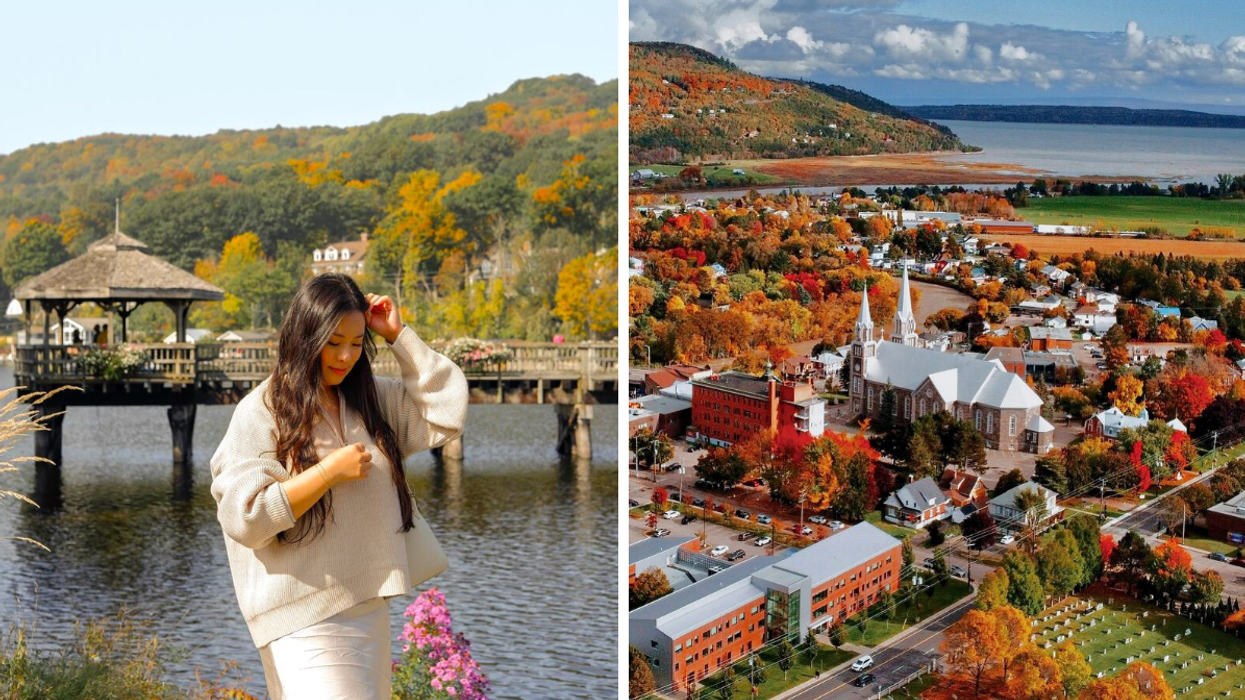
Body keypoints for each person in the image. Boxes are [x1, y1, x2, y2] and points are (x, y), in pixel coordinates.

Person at [209, 273, 468, 699]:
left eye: (356, 342)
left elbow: (447, 412)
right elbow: (246, 517)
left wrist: (398, 335)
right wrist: (328, 472)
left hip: (368, 608)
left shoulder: (367, 401)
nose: (345, 355)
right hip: (303, 619)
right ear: (305, 335)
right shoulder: (262, 411)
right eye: (333, 342)